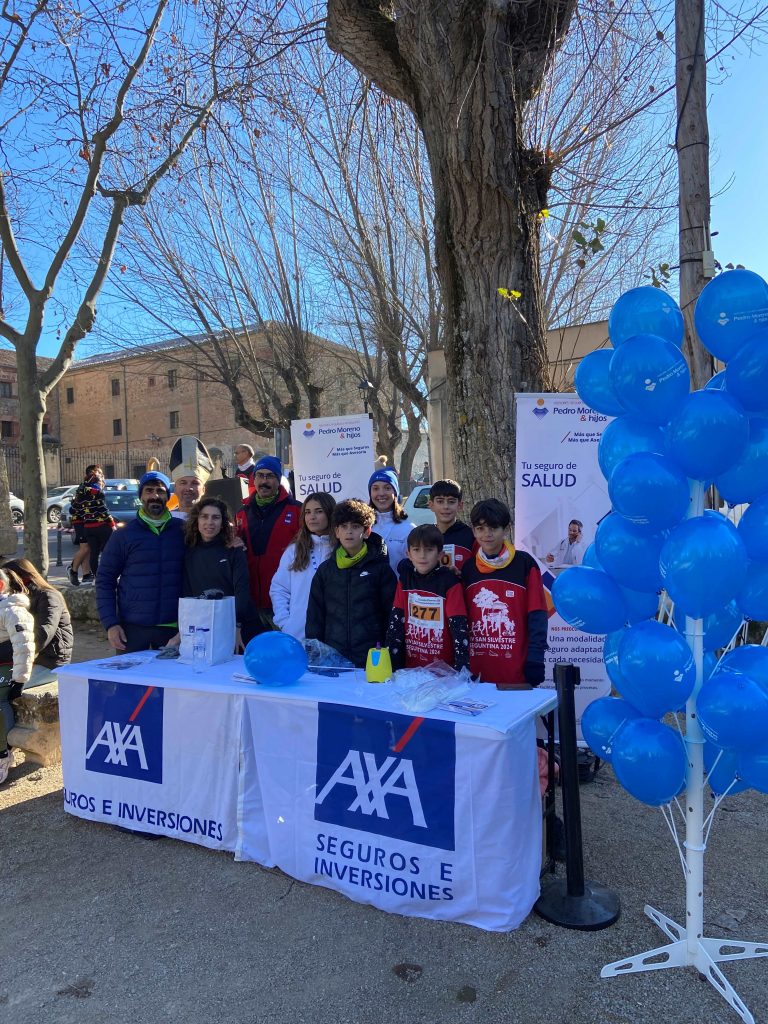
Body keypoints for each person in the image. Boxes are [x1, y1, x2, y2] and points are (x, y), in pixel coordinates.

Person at [461, 498, 548, 690]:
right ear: (474, 531)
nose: (487, 534)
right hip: (477, 675)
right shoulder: (468, 568)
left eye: (493, 528)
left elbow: (538, 615)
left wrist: (535, 658)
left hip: (516, 673)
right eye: (480, 528)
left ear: (506, 529)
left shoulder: (525, 564)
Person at [96, 471, 186, 653]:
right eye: (149, 491)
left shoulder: (183, 531)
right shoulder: (123, 535)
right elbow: (105, 580)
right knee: (130, 682)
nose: (155, 496)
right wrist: (111, 623)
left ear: (168, 496)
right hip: (132, 630)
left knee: (170, 682)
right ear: (141, 496)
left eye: (160, 491)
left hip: (174, 630)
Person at [305, 499, 396, 667]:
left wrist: (389, 653)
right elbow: (315, 617)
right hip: (333, 657)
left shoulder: (381, 570)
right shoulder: (325, 571)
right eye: (344, 527)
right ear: (336, 532)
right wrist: (315, 653)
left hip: (371, 658)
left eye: (355, 526)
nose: (349, 532)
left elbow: (392, 616)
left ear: (367, 531)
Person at [164, 497, 254, 652]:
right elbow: (189, 595)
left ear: (223, 522)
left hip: (235, 626)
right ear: (196, 520)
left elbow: (242, 590)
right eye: (204, 517)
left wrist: (237, 626)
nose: (210, 522)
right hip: (203, 627)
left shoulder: (234, 549)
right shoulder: (189, 552)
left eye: (216, 517)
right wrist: (182, 634)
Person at [386, 524, 469, 671]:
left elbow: (459, 629)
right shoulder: (405, 580)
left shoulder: (449, 582)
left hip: (444, 671)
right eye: (416, 550)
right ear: (409, 554)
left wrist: (460, 669)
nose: (422, 555)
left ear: (440, 555)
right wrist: (391, 664)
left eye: (429, 550)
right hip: (411, 668)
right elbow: (396, 622)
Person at [235, 455, 301, 616]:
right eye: (260, 475)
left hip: (284, 602)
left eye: (270, 476)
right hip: (250, 602)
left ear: (278, 480)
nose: (264, 481)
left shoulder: (297, 510)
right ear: (254, 479)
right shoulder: (241, 513)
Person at [270, 492, 336, 641]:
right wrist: (286, 623)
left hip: (334, 637)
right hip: (298, 636)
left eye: (319, 511)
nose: (312, 517)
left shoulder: (341, 550)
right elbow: (279, 589)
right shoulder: (294, 550)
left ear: (331, 513)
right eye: (307, 512)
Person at [1, 558, 73, 685]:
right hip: (26, 659)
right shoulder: (18, 599)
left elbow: (42, 636)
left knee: (5, 688)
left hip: (49, 663)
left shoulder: (49, 596)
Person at [0, 566, 35, 785]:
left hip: (8, 667)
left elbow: (24, 645)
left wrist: (20, 679)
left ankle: (3, 752)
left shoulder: (11, 609)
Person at [67, 465, 115, 582]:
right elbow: (102, 509)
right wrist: (111, 523)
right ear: (93, 473)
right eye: (100, 473)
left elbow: (74, 507)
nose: (102, 476)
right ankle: (73, 569)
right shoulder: (92, 490)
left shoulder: (84, 488)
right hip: (82, 522)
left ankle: (87, 574)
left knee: (90, 549)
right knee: (86, 548)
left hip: (86, 523)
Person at [367, 467, 413, 572]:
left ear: (395, 493)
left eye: (387, 488)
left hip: (399, 587)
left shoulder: (409, 529)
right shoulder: (362, 526)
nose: (381, 493)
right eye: (375, 488)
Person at [428, 479, 476, 571]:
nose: (446, 506)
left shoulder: (471, 536)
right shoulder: (425, 536)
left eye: (451, 502)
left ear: (460, 505)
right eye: (440, 501)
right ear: (431, 505)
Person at [168, 435, 214, 521]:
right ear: (175, 489)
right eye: (183, 483)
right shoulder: (165, 522)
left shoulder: (213, 521)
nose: (189, 488)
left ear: (203, 490)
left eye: (195, 483)